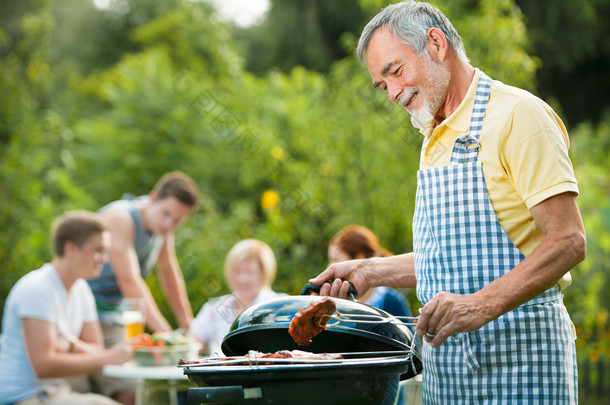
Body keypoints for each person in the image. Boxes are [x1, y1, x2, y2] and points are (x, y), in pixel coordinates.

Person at [309, 1, 586, 403]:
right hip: (449, 375)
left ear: (436, 44)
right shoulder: (432, 137)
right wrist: (369, 270)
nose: (392, 94)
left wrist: (479, 306)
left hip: (523, 362)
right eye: (383, 85)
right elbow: (453, 260)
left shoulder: (517, 115)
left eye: (395, 72)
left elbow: (568, 240)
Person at [86, 171, 198, 404]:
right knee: (112, 388)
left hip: (110, 315)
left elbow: (169, 272)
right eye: (167, 214)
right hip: (81, 313)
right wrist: (168, 336)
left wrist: (188, 325)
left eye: (177, 220)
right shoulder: (121, 219)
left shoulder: (162, 227)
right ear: (153, 198)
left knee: (138, 391)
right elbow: (130, 281)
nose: (169, 224)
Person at [0, 211, 133, 405]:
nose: (104, 259)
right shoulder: (37, 288)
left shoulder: (81, 288)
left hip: (56, 394)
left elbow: (96, 348)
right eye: (98, 250)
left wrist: (71, 343)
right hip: (24, 398)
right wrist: (109, 357)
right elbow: (44, 366)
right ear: (70, 248)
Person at [189, 239, 285, 356]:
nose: (242, 279)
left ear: (264, 274)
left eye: (250, 272)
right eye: (238, 271)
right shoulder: (214, 308)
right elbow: (191, 345)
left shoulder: (281, 306)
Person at [327, 225, 413, 319]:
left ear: (359, 258)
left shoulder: (391, 303)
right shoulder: (332, 302)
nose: (329, 266)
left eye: (335, 260)